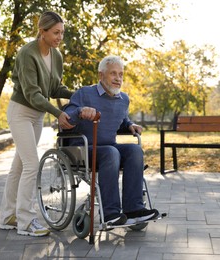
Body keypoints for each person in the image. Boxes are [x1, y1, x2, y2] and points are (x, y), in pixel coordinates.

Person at [0, 11, 74, 237]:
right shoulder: (27, 54)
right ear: (42, 31)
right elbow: (33, 94)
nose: (60, 37)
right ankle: (26, 220)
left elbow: (54, 89)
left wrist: (79, 95)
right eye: (55, 32)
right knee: (32, 165)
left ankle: (8, 216)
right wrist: (58, 113)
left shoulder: (56, 56)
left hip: (37, 115)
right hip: (21, 112)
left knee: (20, 166)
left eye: (62, 32)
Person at [64, 55, 159, 226]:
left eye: (121, 74)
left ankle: (133, 209)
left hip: (108, 148)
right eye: (113, 74)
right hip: (82, 149)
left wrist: (130, 124)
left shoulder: (124, 99)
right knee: (111, 152)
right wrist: (79, 111)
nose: (118, 78)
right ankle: (111, 214)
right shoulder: (84, 93)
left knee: (134, 150)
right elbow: (65, 119)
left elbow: (121, 119)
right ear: (101, 75)